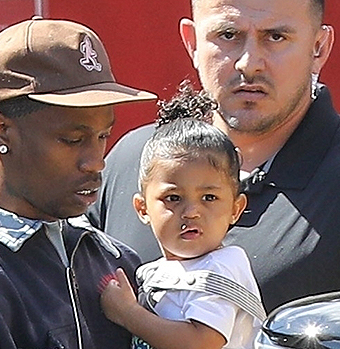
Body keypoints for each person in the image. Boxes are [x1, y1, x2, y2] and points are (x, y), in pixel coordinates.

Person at [88, 0, 340, 342]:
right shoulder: (130, 161)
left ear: (318, 48)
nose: (249, 63)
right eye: (228, 35)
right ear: (192, 42)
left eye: (276, 36)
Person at [0, 17, 156, 349]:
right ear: (1, 130)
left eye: (103, 136)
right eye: (72, 139)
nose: (96, 161)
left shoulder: (114, 261)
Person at [100, 88, 265, 349]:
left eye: (209, 198)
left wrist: (127, 314)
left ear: (236, 208)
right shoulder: (153, 274)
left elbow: (200, 342)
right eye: (174, 198)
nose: (191, 212)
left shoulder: (222, 267)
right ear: (143, 209)